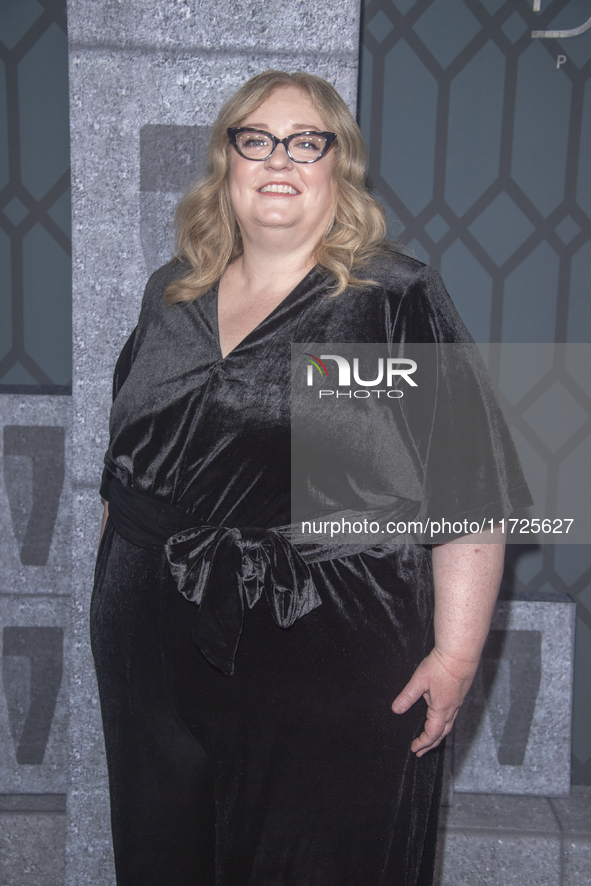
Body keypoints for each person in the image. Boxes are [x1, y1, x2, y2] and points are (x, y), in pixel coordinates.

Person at [91, 70, 531, 886]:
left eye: (305, 141)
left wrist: (457, 653)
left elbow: (467, 488)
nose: (277, 158)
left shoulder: (382, 301)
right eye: (253, 140)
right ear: (226, 163)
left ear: (339, 164)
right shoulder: (171, 292)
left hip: (322, 645)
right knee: (164, 855)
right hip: (148, 648)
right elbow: (128, 464)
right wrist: (116, 595)